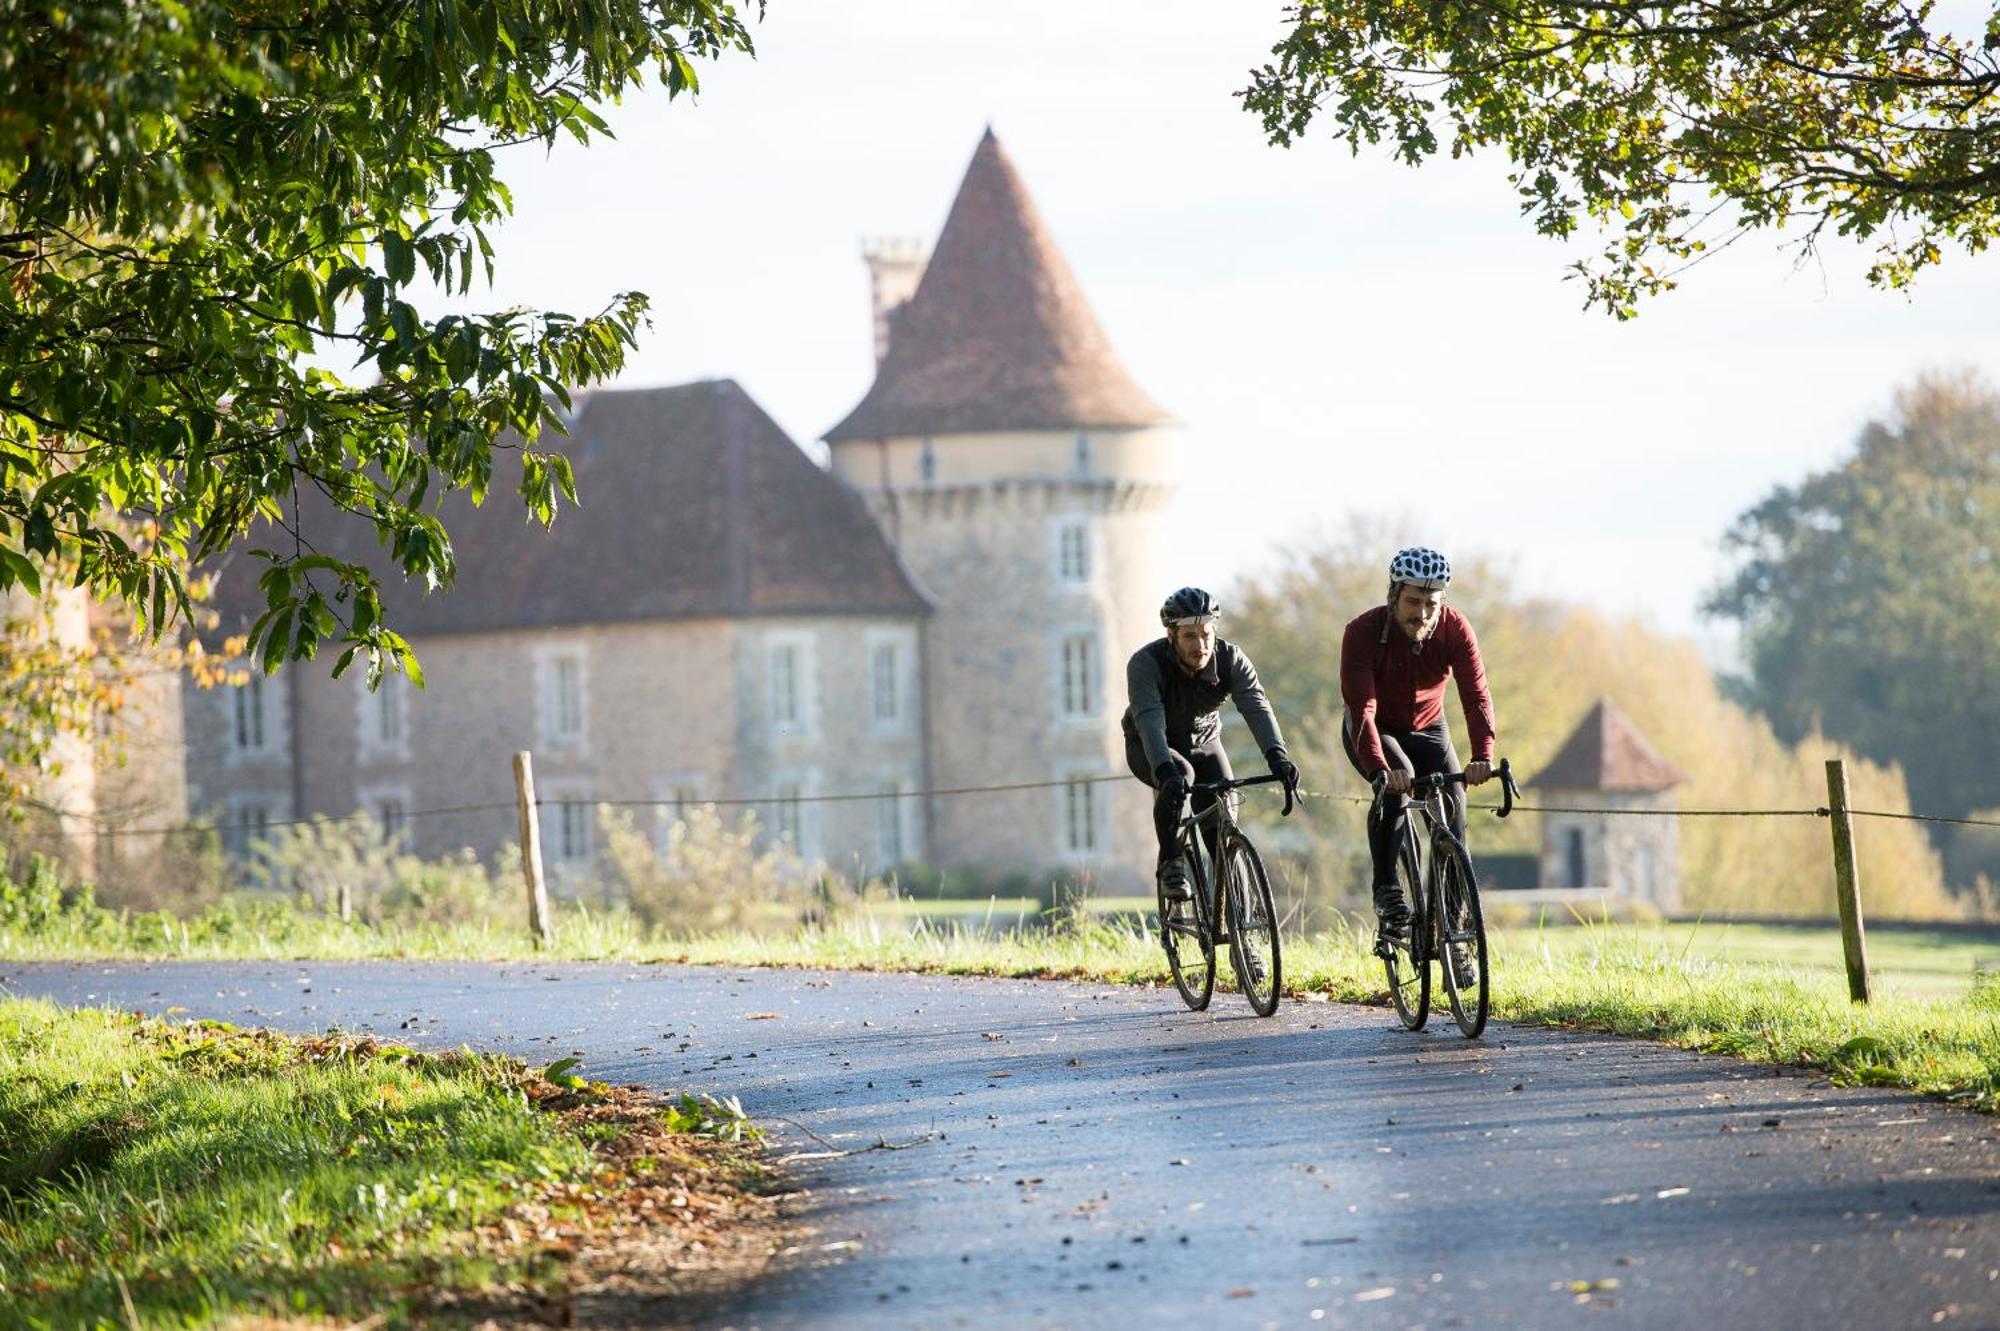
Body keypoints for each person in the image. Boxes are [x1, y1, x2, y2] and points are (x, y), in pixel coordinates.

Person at [1339, 547, 1497, 970]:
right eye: (1413, 602)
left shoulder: (1454, 628)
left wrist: (1482, 754)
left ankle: (1455, 935)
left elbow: (1475, 696)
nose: (1422, 613)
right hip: (1375, 729)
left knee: (1453, 812)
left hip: (1430, 728)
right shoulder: (1362, 632)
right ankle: (1388, 893)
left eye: (1431, 604)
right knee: (1398, 780)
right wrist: (1379, 767)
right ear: (1393, 595)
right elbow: (1363, 711)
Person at [1122, 587, 1300, 902]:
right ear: (1171, 635)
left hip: (1204, 742)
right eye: (1189, 636)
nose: (1200, 645)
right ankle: (1172, 861)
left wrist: (1279, 759)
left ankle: (1241, 932)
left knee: (1223, 824)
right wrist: (1164, 770)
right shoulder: (1145, 664)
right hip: (1150, 744)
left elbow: (1256, 708)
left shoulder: (1231, 659)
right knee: (1181, 776)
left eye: (1206, 634)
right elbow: (1149, 721)